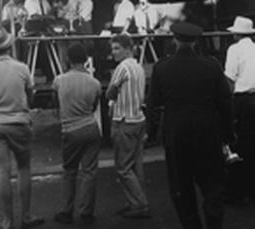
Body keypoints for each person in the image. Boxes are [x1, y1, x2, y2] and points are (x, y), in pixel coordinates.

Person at [148, 22, 235, 229]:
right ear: (196, 41)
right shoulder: (212, 66)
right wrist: (228, 134)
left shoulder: (162, 67)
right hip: (208, 131)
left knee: (181, 186)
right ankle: (214, 222)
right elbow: (225, 103)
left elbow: (153, 105)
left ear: (174, 40)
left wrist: (151, 134)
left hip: (176, 133)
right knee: (212, 185)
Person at [0, 28, 44, 229]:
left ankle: (7, 220)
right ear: (9, 46)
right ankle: (26, 216)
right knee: (24, 168)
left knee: (2, 171)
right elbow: (30, 94)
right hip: (18, 122)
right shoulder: (22, 68)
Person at [52, 43, 101, 226]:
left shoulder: (59, 81)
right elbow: (94, 106)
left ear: (68, 60)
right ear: (86, 60)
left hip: (71, 130)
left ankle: (67, 211)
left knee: (70, 172)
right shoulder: (95, 83)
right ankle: (87, 212)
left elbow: (55, 101)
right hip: (91, 128)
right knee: (89, 172)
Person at [106, 34, 150, 219]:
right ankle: (134, 201)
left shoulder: (122, 67)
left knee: (123, 167)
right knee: (135, 165)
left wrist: (113, 97)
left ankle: (139, 203)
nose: (113, 52)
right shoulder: (138, 66)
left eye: (117, 48)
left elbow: (110, 92)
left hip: (124, 120)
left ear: (127, 48)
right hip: (138, 118)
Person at [224, 16, 255, 201]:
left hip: (243, 100)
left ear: (236, 34)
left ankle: (239, 190)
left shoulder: (234, 50)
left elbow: (229, 78)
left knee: (240, 145)